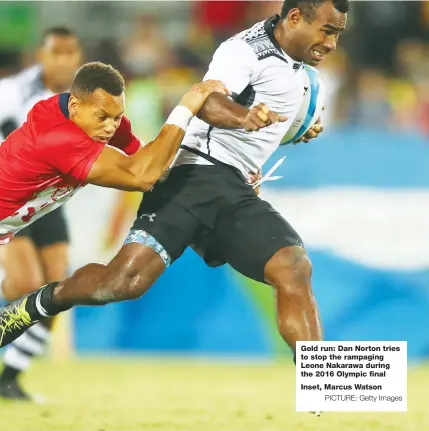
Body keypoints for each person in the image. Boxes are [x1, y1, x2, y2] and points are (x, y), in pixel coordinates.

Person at [0, 0, 348, 377]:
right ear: (295, 17)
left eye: (337, 34)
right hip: (195, 175)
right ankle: (36, 311)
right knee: (122, 284)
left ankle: (326, 386)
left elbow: (142, 156)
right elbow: (207, 104)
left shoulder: (306, 77)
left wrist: (290, 132)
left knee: (293, 267)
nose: (331, 43)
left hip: (229, 187)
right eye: (326, 31)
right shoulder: (244, 50)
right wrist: (231, 115)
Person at [0, 26, 82, 400]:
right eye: (56, 52)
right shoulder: (12, 93)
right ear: (41, 54)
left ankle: (10, 377)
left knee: (57, 290)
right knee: (21, 286)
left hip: (49, 203)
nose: (63, 59)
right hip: (11, 199)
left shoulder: (82, 99)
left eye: (70, 52)